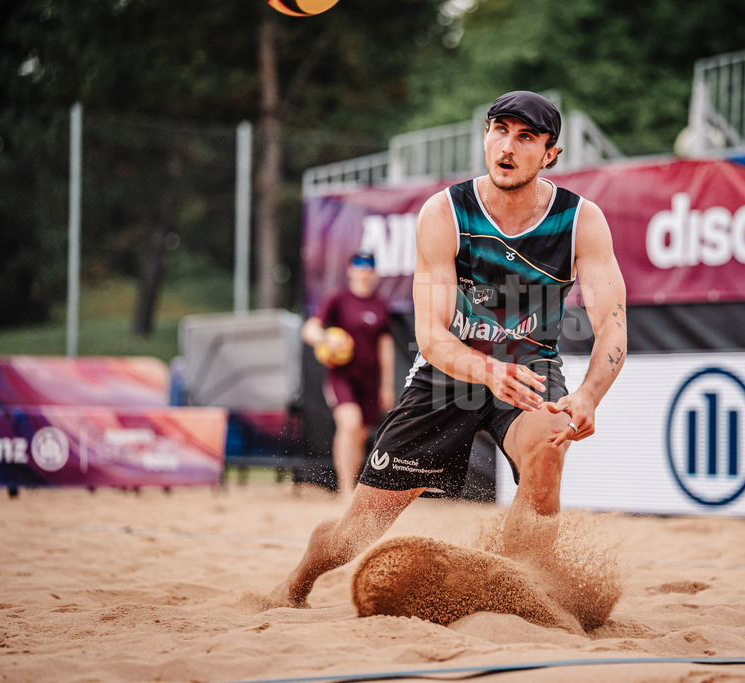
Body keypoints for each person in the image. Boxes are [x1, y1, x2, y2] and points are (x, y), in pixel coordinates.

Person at [267, 90, 627, 608]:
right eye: (499, 130)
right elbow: (433, 338)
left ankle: (524, 590)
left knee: (551, 437)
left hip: (528, 370)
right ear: (485, 135)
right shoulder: (447, 211)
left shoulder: (580, 220)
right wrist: (485, 370)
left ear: (551, 154)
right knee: (354, 537)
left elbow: (613, 327)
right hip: (448, 376)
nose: (508, 146)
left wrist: (590, 395)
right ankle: (294, 585)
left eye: (526, 137)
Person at [301, 251, 395, 499]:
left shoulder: (380, 305)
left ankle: (352, 487)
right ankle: (344, 490)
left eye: (368, 266)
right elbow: (309, 330)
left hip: (369, 380)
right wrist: (325, 340)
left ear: (374, 272)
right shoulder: (338, 300)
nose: (363, 271)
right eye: (359, 265)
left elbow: (385, 347)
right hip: (341, 375)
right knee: (349, 423)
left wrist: (386, 385)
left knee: (361, 432)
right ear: (350, 270)